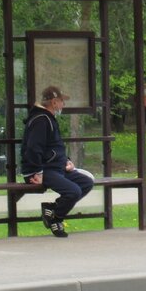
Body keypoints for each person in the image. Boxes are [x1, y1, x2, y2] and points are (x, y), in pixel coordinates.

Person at [21, 85, 94, 238]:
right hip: (43, 170)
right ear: (54, 102)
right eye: (61, 101)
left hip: (57, 168)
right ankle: (57, 219)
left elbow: (54, 147)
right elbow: (33, 148)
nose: (63, 105)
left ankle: (53, 211)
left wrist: (67, 161)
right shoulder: (41, 120)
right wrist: (37, 172)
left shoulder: (49, 119)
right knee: (73, 191)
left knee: (86, 183)